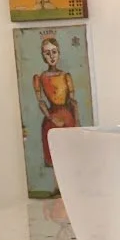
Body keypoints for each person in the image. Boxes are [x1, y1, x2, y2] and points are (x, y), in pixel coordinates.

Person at [33, 35, 80, 168]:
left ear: (58, 53)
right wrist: (51, 118)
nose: (51, 56)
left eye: (54, 52)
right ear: (43, 56)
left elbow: (73, 102)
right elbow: (41, 102)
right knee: (55, 159)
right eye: (47, 53)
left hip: (68, 118)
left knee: (70, 157)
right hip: (51, 119)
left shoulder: (66, 76)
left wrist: (77, 122)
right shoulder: (40, 78)